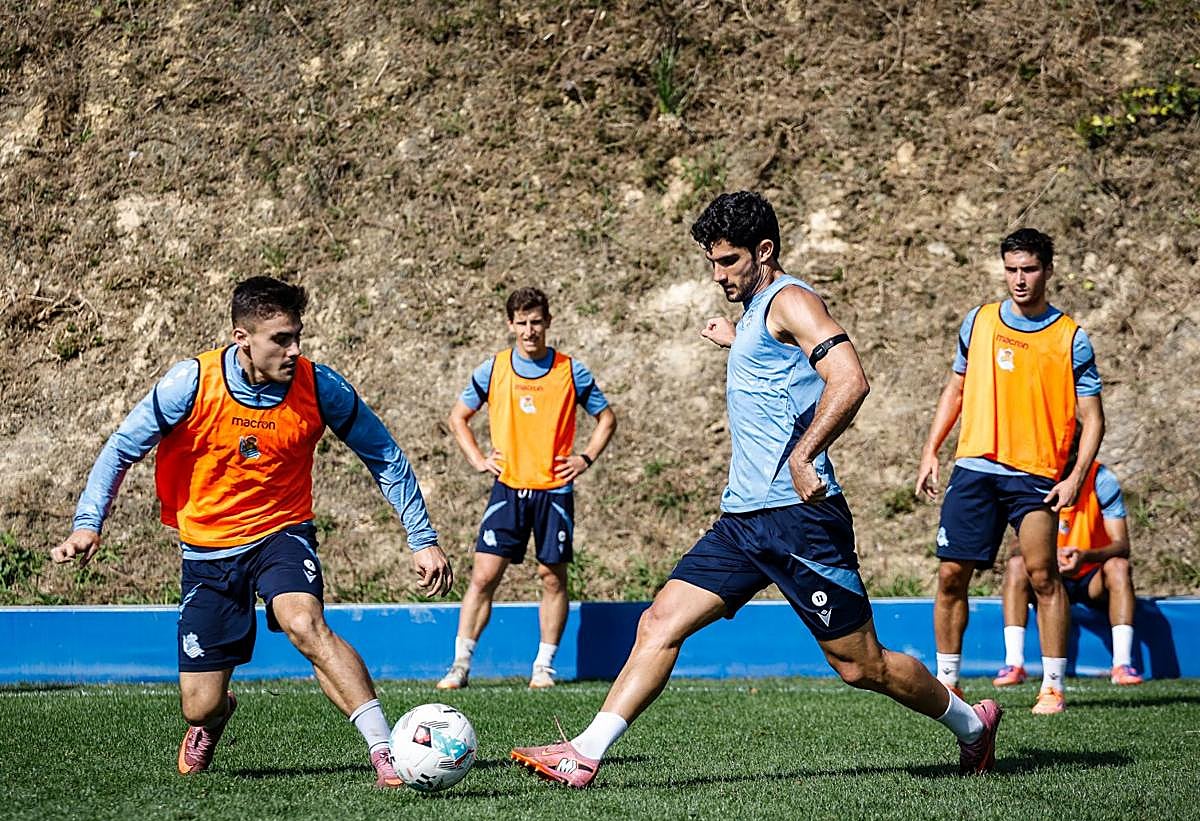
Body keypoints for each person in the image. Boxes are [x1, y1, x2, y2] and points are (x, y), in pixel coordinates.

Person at [510, 191, 1002, 789]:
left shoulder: (792, 299)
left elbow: (850, 378)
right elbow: (773, 362)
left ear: (764, 251)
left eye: (728, 261)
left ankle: (972, 725)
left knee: (861, 666)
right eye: (712, 263)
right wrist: (736, 336)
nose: (718, 275)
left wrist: (805, 453)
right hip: (742, 521)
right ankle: (583, 754)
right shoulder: (756, 313)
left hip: (801, 520)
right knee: (658, 622)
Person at [51, 277, 453, 787]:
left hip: (282, 532)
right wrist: (88, 524)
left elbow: (384, 455)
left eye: (297, 336)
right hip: (208, 549)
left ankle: (385, 751)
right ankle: (215, 718)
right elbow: (121, 448)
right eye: (280, 339)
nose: (294, 350)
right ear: (242, 338)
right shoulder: (191, 384)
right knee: (199, 705)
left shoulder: (320, 387)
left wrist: (422, 539)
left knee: (304, 623)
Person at [916, 228, 1105, 715]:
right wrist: (931, 449)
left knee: (1043, 575)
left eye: (1029, 269)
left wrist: (1075, 478)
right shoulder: (978, 322)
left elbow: (1093, 419)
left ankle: (1052, 687)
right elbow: (956, 389)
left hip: (1036, 475)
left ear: (1048, 270)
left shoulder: (1070, 338)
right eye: (1012, 269)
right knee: (951, 574)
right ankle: (948, 684)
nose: (1019, 279)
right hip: (974, 467)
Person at [436, 287, 616, 690]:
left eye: (536, 322)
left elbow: (606, 418)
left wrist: (585, 458)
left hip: (555, 491)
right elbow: (458, 417)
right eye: (522, 322)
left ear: (548, 322)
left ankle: (543, 667)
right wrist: (478, 459)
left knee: (552, 577)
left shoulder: (570, 371)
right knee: (484, 576)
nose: (529, 330)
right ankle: (460, 665)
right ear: (510, 324)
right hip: (508, 488)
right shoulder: (494, 369)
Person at [994, 459, 1144, 686]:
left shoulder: (1100, 479)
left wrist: (1084, 556)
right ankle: (1014, 664)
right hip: (1046, 574)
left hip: (1091, 577)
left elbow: (1122, 545)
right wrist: (1045, 553)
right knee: (1016, 565)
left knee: (1119, 567)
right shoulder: (1034, 474)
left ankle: (1122, 665)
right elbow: (1015, 546)